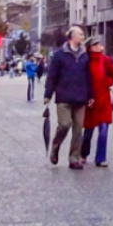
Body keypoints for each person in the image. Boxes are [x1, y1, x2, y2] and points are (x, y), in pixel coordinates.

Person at [44, 27, 92, 169]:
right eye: (80, 34)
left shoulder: (84, 55)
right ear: (72, 37)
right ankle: (56, 146)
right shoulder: (60, 54)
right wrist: (48, 94)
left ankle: (73, 158)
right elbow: (52, 75)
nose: (83, 37)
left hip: (81, 97)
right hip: (64, 96)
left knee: (78, 130)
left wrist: (90, 94)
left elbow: (88, 77)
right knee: (65, 125)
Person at [80, 37, 113, 167]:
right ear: (89, 47)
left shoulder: (105, 60)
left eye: (99, 44)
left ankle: (100, 158)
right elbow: (83, 80)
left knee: (103, 130)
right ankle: (83, 154)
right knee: (88, 131)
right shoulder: (85, 61)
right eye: (95, 45)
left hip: (104, 99)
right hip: (91, 100)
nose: (98, 46)